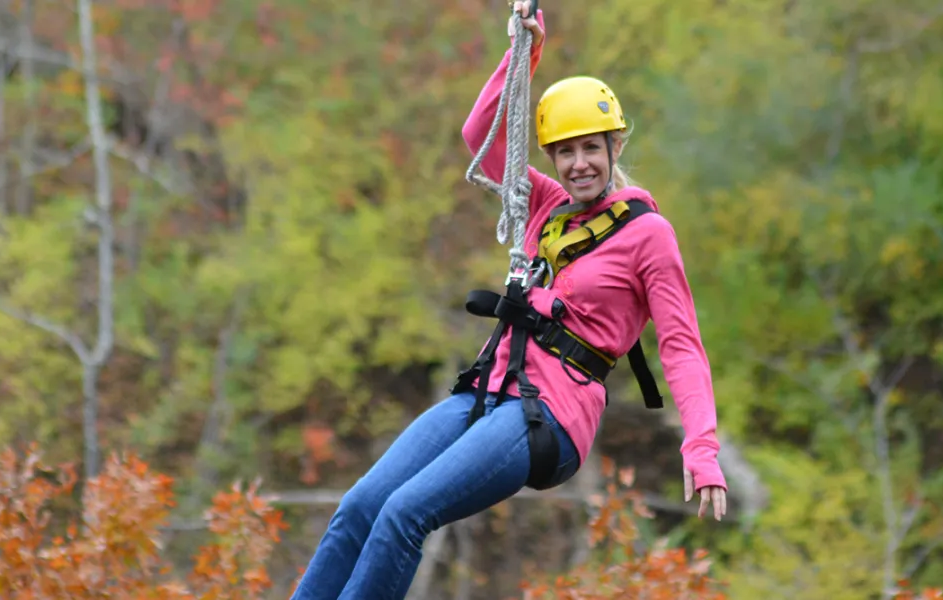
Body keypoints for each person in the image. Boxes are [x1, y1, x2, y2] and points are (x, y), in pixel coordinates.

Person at [288, 4, 727, 599]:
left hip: (552, 415)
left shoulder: (648, 235)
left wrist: (701, 448)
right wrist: (524, 52)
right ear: (551, 158)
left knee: (403, 515)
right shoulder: (543, 204)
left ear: (614, 147)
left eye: (591, 149)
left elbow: (681, 348)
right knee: (361, 506)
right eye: (565, 152)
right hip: (488, 391)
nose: (579, 164)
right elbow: (480, 136)